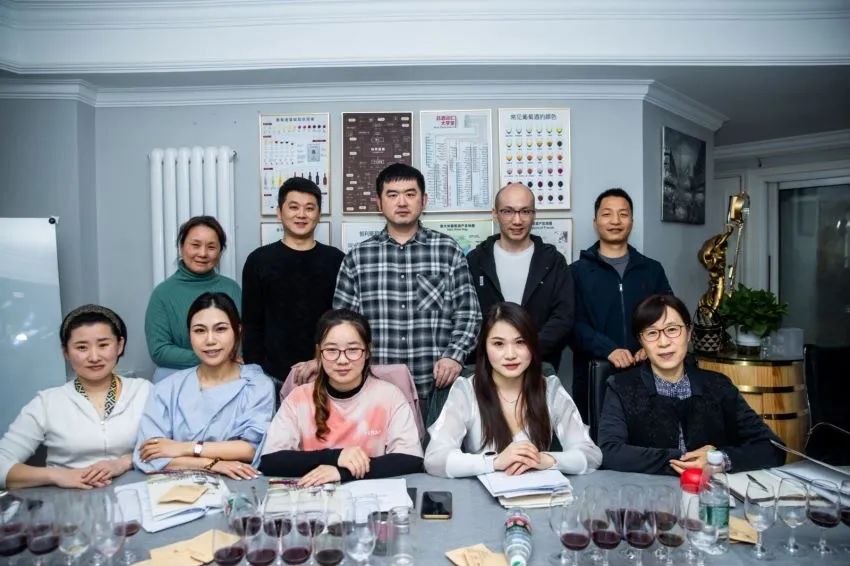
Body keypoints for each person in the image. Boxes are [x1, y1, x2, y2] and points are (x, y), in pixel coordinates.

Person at [333, 163, 482, 405]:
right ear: (379, 203)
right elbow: (342, 325)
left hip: (435, 389)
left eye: (410, 194)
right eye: (392, 195)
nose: (402, 202)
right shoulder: (357, 258)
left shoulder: (447, 250)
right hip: (374, 390)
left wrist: (454, 356)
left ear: (423, 201)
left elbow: (469, 314)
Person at [597, 294, 786, 475]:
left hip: (711, 491)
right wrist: (685, 460)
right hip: (646, 493)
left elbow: (773, 447)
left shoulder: (718, 386)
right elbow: (609, 452)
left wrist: (720, 459)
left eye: (672, 330)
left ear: (688, 333)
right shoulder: (621, 387)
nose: (664, 342)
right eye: (652, 333)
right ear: (641, 341)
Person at [424, 302, 601, 478]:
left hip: (541, 492)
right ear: (484, 347)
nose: (510, 354)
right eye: (498, 344)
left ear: (532, 345)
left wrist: (546, 459)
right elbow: (435, 459)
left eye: (520, 342)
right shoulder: (466, 390)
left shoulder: (550, 389)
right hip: (482, 493)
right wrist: (494, 462)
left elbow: (591, 455)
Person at [259, 309, 423, 486]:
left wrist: (342, 472)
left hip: (370, 497)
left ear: (368, 351)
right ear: (319, 353)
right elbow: (270, 461)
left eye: (353, 350)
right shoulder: (299, 398)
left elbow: (411, 459)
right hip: (316, 497)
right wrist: (336, 457)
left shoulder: (389, 396)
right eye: (331, 350)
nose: (342, 360)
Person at [0, 305, 150, 489]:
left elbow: (169, 447)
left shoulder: (143, 391)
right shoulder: (47, 403)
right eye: (81, 347)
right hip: (67, 501)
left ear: (119, 345)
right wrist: (58, 475)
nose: (94, 357)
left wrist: (124, 462)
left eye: (103, 345)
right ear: (66, 352)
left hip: (137, 495)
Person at [134, 292, 274, 479]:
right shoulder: (167, 388)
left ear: (238, 330)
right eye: (199, 331)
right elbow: (149, 454)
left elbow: (251, 449)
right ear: (189, 335)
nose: (210, 340)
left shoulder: (257, 385)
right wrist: (212, 464)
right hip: (174, 486)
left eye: (220, 329)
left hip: (240, 485)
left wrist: (183, 448)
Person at [571, 187, 672, 419]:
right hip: (595, 376)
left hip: (649, 371)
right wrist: (608, 349)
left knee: (651, 431)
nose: (615, 221)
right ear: (595, 222)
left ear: (632, 221)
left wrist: (651, 345)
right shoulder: (576, 272)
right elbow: (572, 324)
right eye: (607, 214)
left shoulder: (652, 269)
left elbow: (668, 316)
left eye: (623, 214)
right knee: (600, 436)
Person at [242, 177, 344, 393]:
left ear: (319, 214)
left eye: (309, 208)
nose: (301, 214)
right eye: (294, 207)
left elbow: (343, 321)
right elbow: (252, 324)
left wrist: (323, 361)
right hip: (270, 376)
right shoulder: (259, 260)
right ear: (279, 212)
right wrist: (257, 372)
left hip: (326, 371)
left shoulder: (336, 259)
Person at [466, 182, 574, 370]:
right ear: (495, 214)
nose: (517, 220)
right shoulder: (476, 260)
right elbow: (465, 315)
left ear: (534, 215)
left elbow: (563, 317)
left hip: (540, 366)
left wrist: (527, 350)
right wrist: (494, 351)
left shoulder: (554, 261)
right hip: (486, 368)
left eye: (525, 211)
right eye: (508, 211)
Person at [145, 216, 242, 382]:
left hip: (228, 376)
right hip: (176, 378)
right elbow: (159, 350)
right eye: (195, 245)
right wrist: (214, 357)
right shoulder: (163, 293)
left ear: (220, 252)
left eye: (211, 247)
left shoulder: (232, 288)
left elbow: (243, 337)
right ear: (181, 247)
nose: (202, 253)